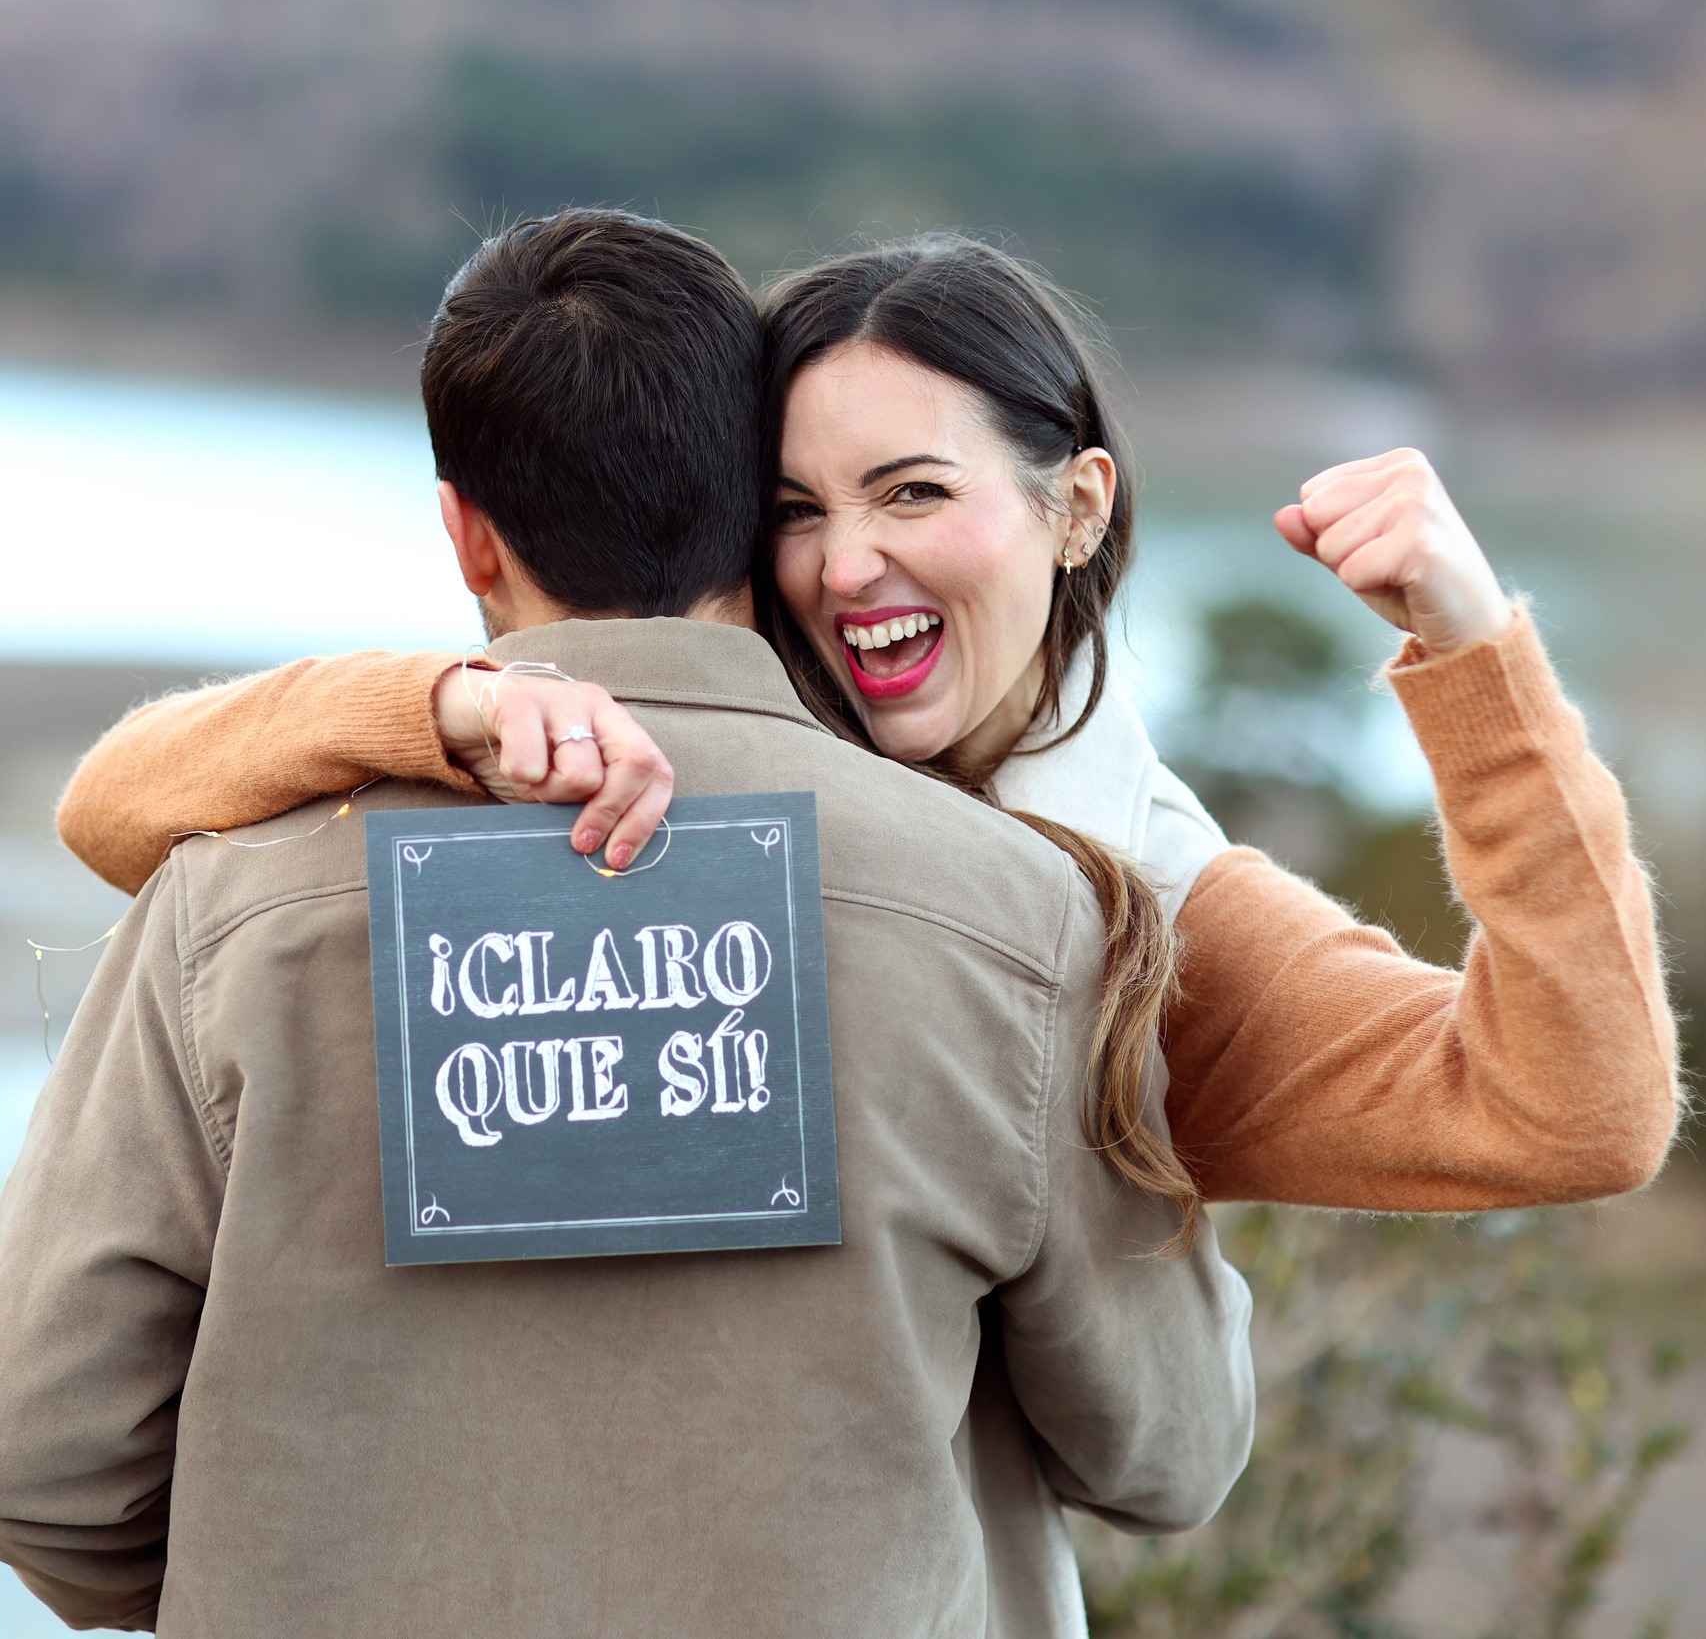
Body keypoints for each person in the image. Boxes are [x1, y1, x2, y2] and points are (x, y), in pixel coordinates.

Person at [0, 211, 1255, 1638]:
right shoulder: (1029, 918)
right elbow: (1164, 1450)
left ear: (466, 532)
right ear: (748, 498)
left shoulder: (228, 899)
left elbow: (42, 1444)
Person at [58, 235, 1679, 1215]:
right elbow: (116, 804)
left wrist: (1472, 654)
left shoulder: (1152, 903)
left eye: (912, 493)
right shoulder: (622, 753)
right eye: (794, 508)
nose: (846, 566)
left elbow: (1570, 1113)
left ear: (1073, 506)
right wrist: (434, 699)